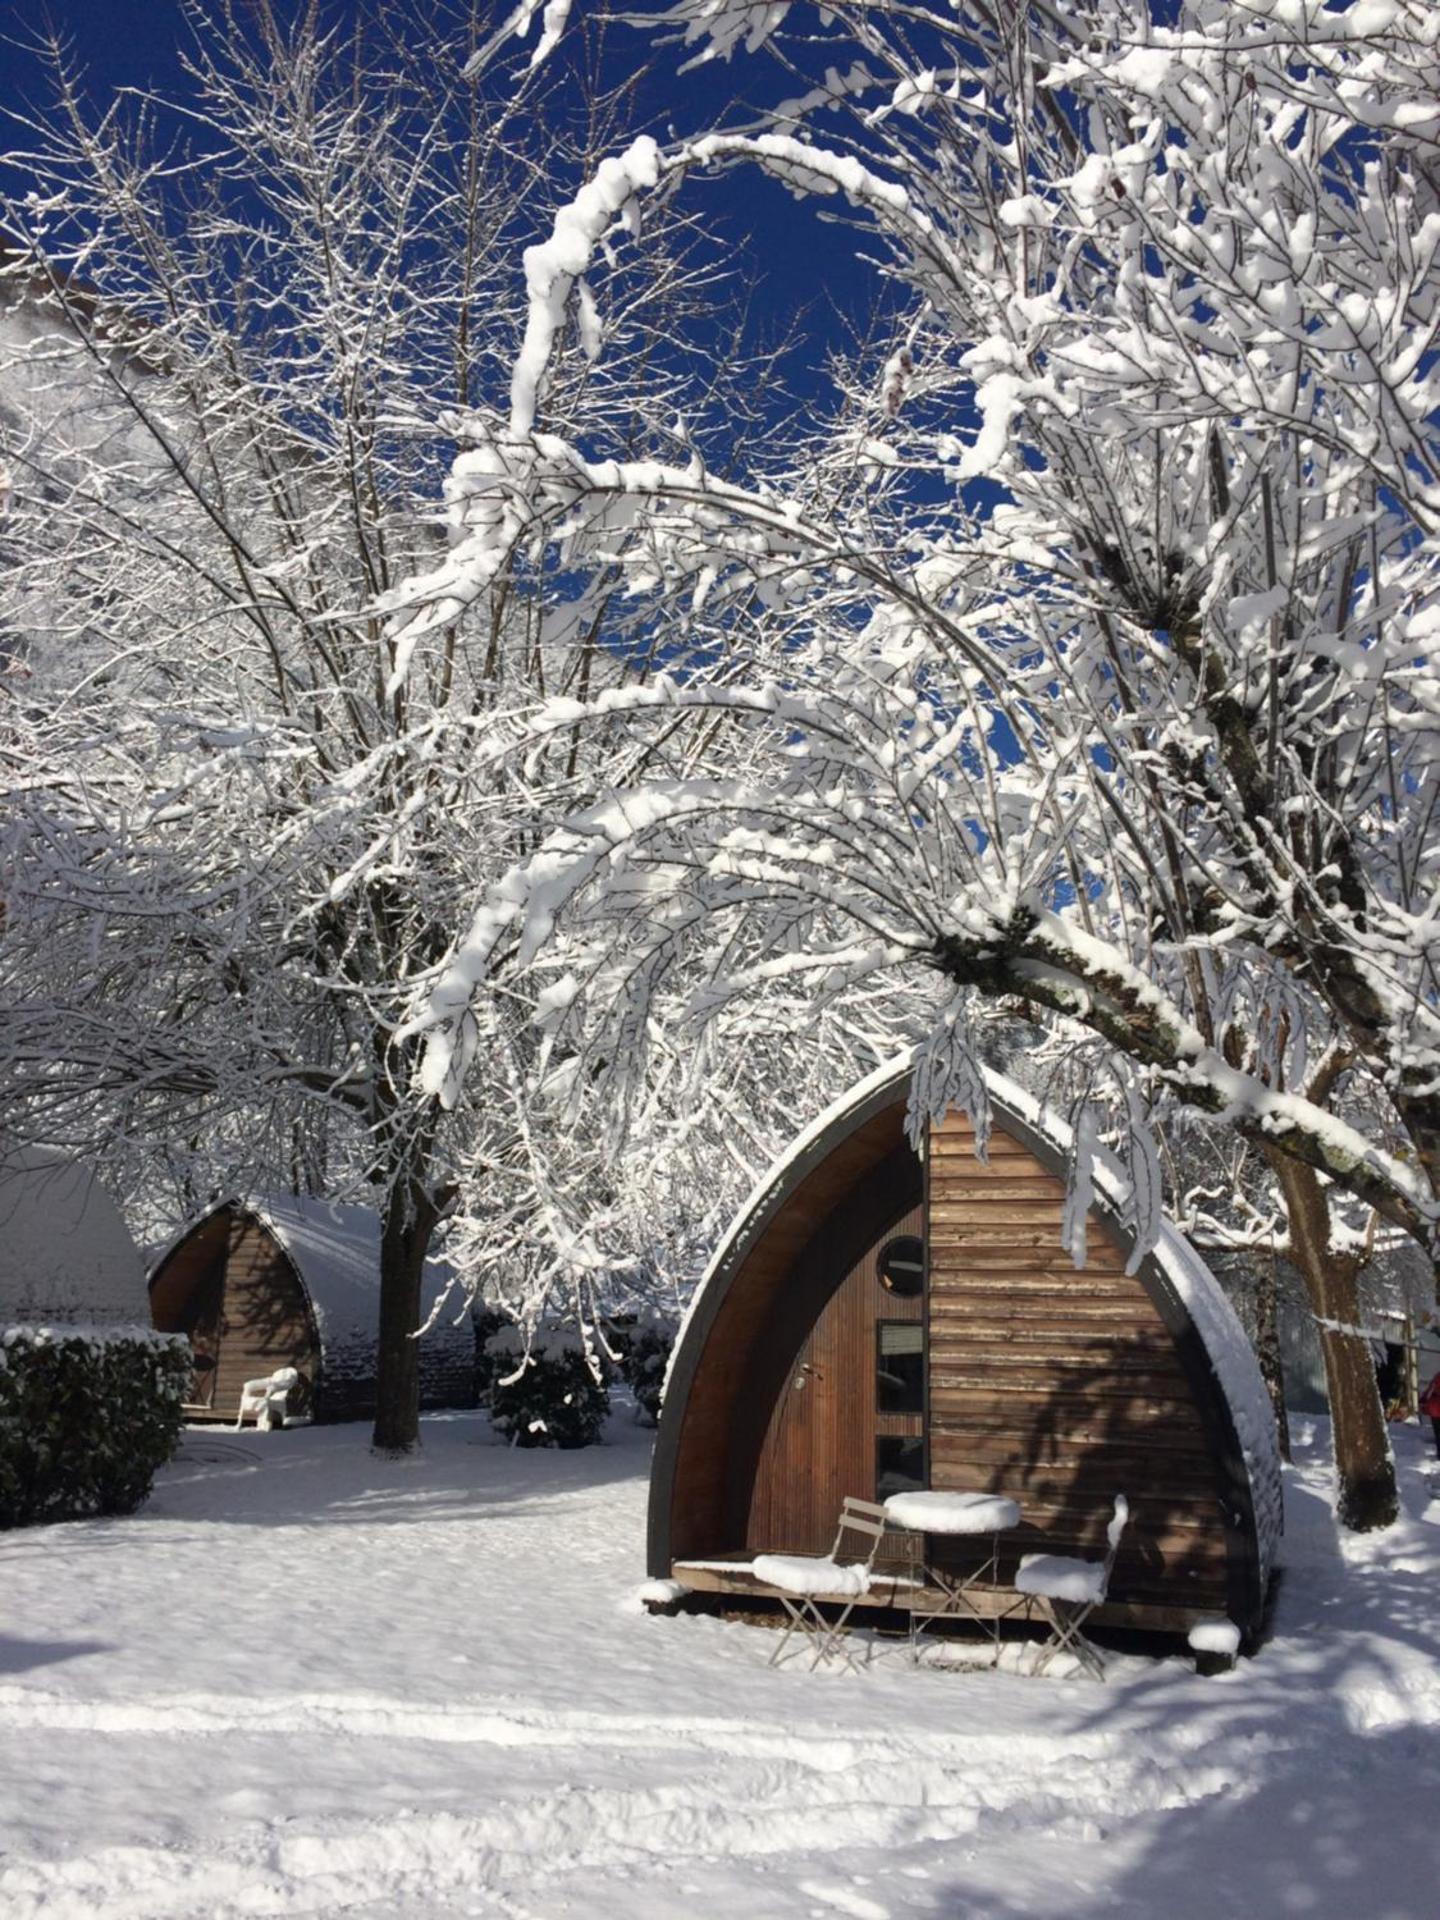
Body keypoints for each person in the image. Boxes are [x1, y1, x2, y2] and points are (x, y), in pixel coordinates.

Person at [1420, 1368, 1440, 1461]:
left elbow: (1429, 1391)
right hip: (1435, 1408)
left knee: (1438, 1433)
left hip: (1435, 1409)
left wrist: (1423, 1400)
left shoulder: (1437, 1377)